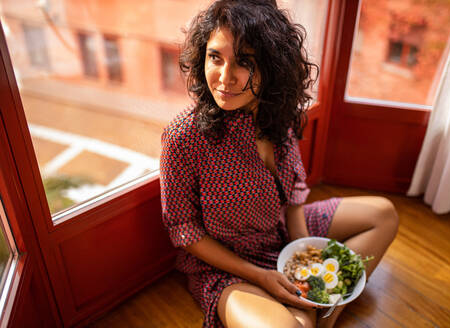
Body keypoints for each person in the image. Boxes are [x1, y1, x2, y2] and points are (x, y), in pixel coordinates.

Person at [159, 1, 399, 327]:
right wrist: (262, 276)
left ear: (272, 66)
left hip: (282, 234)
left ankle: (327, 313)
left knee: (383, 215)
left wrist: (301, 256)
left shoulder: (277, 114)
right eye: (215, 57)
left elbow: (294, 189)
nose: (224, 77)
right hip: (229, 263)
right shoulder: (183, 136)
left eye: (244, 62)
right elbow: (184, 231)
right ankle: (313, 312)